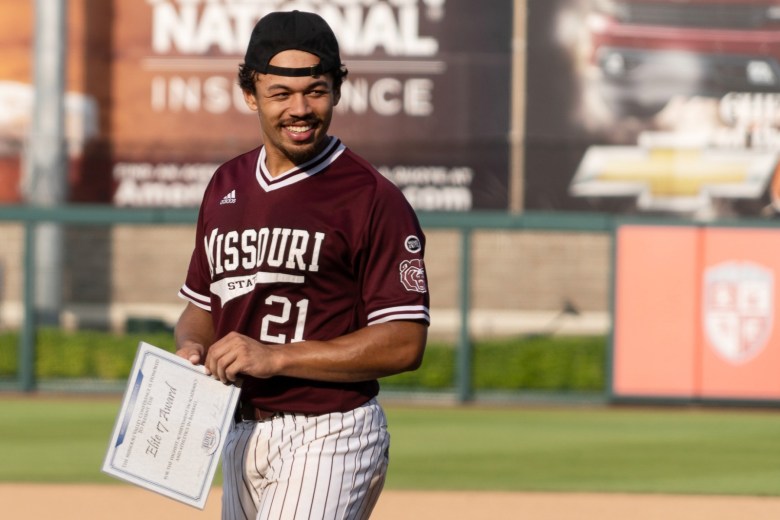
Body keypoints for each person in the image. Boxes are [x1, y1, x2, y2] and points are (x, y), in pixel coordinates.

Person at [174, 10, 430, 520]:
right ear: (251, 94)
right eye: (281, 93)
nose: (300, 108)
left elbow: (405, 341)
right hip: (240, 431)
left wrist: (276, 357)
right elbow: (202, 306)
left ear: (337, 90)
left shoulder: (370, 197)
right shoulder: (226, 184)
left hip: (330, 430)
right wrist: (190, 348)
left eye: (315, 90)